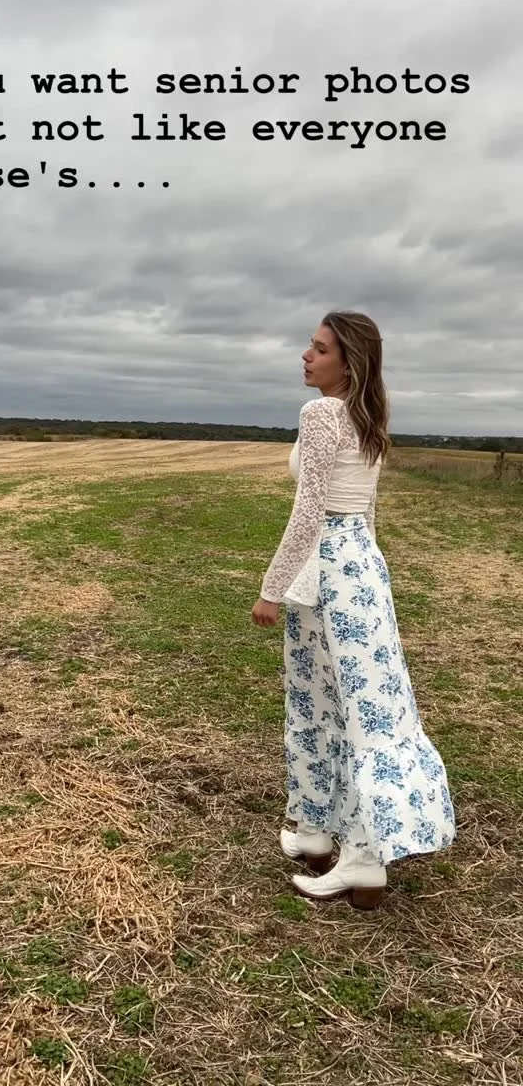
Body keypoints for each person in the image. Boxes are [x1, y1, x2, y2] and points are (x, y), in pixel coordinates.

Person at [250, 310, 456, 910]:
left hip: (325, 567)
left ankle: (365, 857)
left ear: (349, 362)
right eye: (309, 346)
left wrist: (271, 587)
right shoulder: (368, 417)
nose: (306, 356)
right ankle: (315, 829)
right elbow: (367, 512)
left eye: (319, 349)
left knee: (337, 707)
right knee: (340, 700)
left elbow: (309, 510)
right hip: (358, 566)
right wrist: (368, 572)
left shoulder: (321, 415)